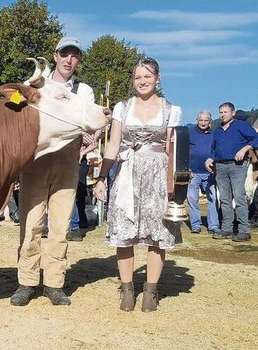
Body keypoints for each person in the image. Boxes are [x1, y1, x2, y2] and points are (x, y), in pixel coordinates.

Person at [11, 36, 95, 306]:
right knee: (31, 224)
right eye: (65, 54)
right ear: (56, 56)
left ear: (78, 60)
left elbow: (90, 123)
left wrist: (91, 135)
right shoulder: (36, 84)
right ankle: (26, 282)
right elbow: (15, 111)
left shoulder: (85, 92)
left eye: (75, 56)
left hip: (68, 161)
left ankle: (54, 284)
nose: (69, 60)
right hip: (36, 161)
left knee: (59, 227)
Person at [94, 57, 181, 312]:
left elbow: (173, 149)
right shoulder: (123, 107)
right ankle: (128, 288)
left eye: (147, 76)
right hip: (128, 173)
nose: (142, 81)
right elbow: (113, 144)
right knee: (125, 232)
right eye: (138, 77)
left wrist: (175, 186)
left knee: (157, 235)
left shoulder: (170, 109)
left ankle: (151, 291)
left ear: (158, 78)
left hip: (158, 174)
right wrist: (101, 177)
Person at [204, 102, 258, 242]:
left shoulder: (241, 126)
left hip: (237, 166)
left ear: (233, 113)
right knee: (224, 199)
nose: (223, 115)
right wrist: (209, 159)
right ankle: (227, 229)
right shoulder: (218, 130)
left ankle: (244, 230)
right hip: (221, 166)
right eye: (221, 112)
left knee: (239, 197)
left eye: (225, 112)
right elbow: (214, 149)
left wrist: (245, 149)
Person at [187, 111, 220, 234]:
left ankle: (214, 225)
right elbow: (183, 150)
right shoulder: (189, 133)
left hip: (210, 172)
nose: (203, 123)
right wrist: (186, 167)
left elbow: (218, 150)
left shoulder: (215, 134)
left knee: (213, 199)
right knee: (192, 199)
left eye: (206, 120)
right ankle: (195, 224)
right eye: (201, 120)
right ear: (197, 120)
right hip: (193, 172)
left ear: (210, 121)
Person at [68, 131, 100, 241]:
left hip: (80, 163)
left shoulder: (79, 131)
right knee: (74, 193)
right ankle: (79, 223)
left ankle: (77, 225)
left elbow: (94, 143)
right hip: (68, 162)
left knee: (77, 193)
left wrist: (82, 153)